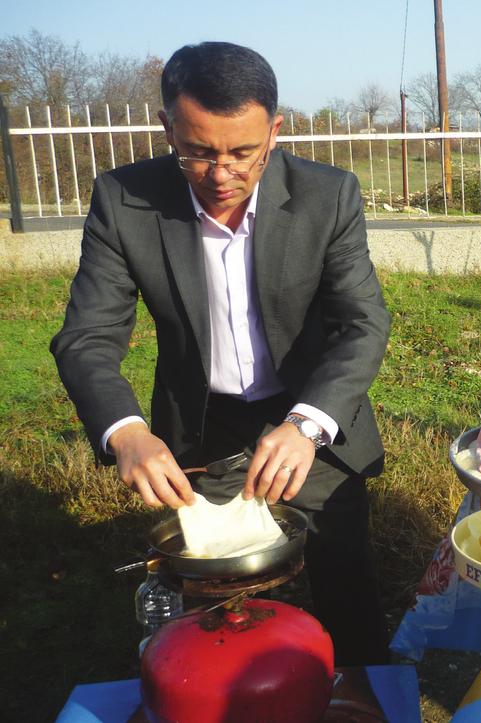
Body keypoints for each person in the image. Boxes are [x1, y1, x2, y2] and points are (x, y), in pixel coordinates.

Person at [50, 42, 392, 665]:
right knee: (209, 593)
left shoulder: (327, 195)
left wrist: (307, 425)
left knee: (344, 575)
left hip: (307, 410)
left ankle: (363, 687)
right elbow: (87, 337)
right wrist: (126, 433)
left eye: (244, 152)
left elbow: (362, 324)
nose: (222, 173)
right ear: (168, 128)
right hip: (201, 423)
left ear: (275, 131)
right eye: (199, 152)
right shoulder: (125, 202)